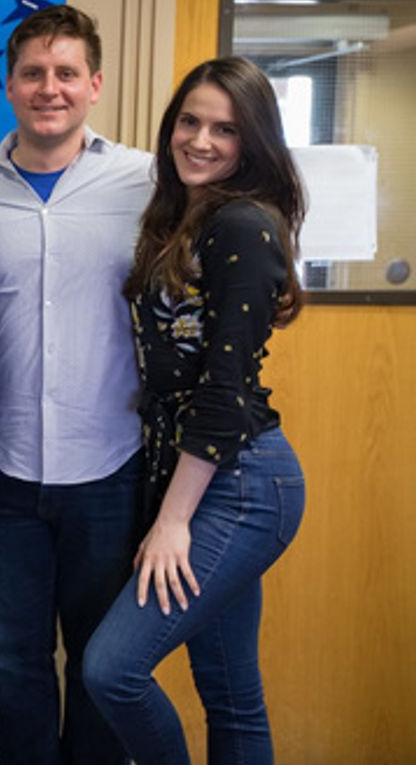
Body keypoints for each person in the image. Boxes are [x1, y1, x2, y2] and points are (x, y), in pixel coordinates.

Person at [82, 56, 306, 765]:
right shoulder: (182, 218)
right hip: (200, 475)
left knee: (111, 670)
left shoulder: (242, 224)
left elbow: (224, 390)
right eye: (189, 121)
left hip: (240, 486)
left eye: (225, 129)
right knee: (231, 689)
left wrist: (173, 520)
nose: (200, 140)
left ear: (254, 143)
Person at [0, 4, 153, 765]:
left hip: (110, 471)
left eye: (67, 72)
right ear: (9, 85)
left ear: (95, 84)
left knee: (103, 667)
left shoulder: (148, 183)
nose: (50, 88)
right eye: (33, 72)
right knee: (14, 665)